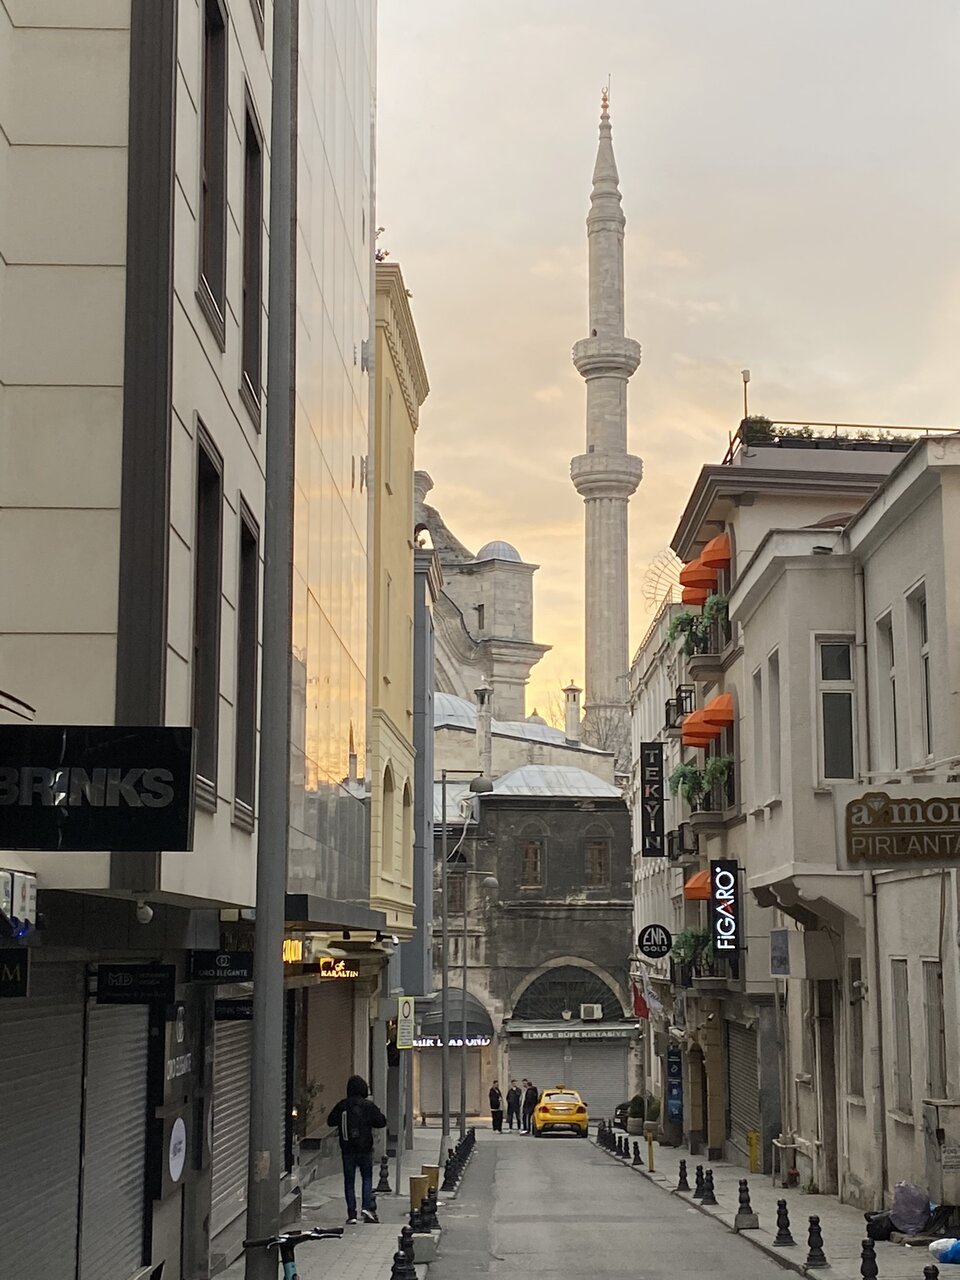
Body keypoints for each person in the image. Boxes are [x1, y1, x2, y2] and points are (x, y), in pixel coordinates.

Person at [326, 1074, 387, 1224]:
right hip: (365, 1148)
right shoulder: (368, 1106)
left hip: (347, 1149)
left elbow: (330, 1121)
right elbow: (381, 1122)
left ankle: (351, 1214)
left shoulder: (342, 1105)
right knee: (367, 1178)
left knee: (349, 1181)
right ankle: (366, 1207)